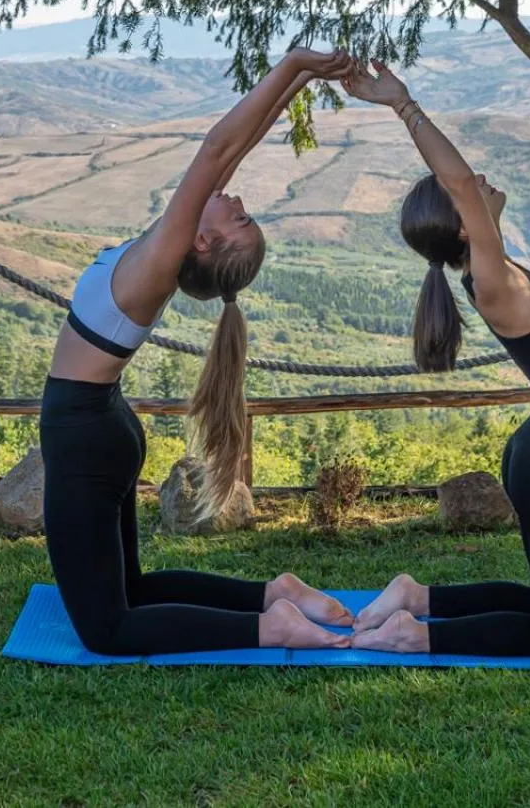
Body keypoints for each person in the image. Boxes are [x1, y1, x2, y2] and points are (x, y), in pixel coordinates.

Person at [41, 47, 356, 656]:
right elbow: (232, 152)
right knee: (129, 588)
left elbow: (213, 149)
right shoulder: (163, 248)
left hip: (84, 435)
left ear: (205, 243)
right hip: (100, 424)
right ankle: (275, 596)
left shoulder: (159, 260)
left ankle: (271, 629)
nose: (238, 203)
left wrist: (294, 64)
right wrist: (299, 79)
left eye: (240, 220)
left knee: (109, 632)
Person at [340, 60, 530, 656]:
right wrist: (403, 105)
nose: (480, 179)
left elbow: (468, 196)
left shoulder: (500, 272)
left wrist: (485, 218)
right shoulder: (491, 283)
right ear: (466, 231)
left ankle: (415, 600)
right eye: (471, 195)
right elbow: (457, 179)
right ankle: (413, 636)